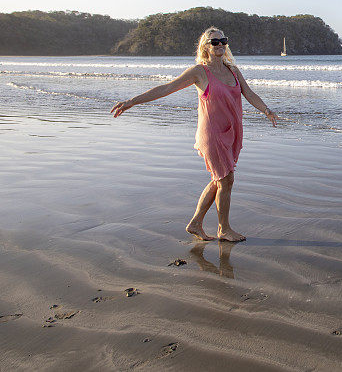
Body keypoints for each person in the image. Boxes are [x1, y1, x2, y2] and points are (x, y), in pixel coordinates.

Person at [110, 27, 278, 242]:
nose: (219, 45)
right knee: (226, 179)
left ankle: (195, 223)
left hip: (232, 132)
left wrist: (266, 110)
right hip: (212, 133)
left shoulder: (233, 70)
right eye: (214, 42)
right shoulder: (199, 72)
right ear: (205, 46)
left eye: (222, 41)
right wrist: (132, 101)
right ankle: (223, 229)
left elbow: (249, 93)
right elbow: (166, 88)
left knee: (220, 180)